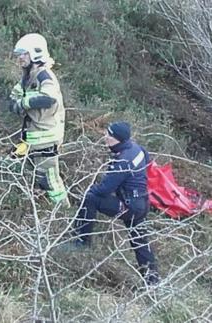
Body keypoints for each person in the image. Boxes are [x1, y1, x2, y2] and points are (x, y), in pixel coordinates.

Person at [73, 121, 159, 285]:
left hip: (130, 207)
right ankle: (153, 281)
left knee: (90, 197)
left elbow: (105, 189)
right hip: (141, 203)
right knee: (140, 242)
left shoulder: (123, 161)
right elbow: (147, 161)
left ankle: (82, 242)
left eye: (109, 135)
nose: (105, 137)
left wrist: (92, 188)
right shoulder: (137, 149)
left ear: (118, 139)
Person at [8, 33, 68, 205]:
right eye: (19, 54)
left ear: (35, 53)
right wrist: (16, 102)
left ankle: (64, 214)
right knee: (38, 178)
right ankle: (43, 209)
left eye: (23, 53)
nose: (20, 58)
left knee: (51, 182)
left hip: (46, 139)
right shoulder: (28, 77)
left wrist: (23, 103)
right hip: (33, 139)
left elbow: (48, 99)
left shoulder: (44, 76)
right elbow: (12, 100)